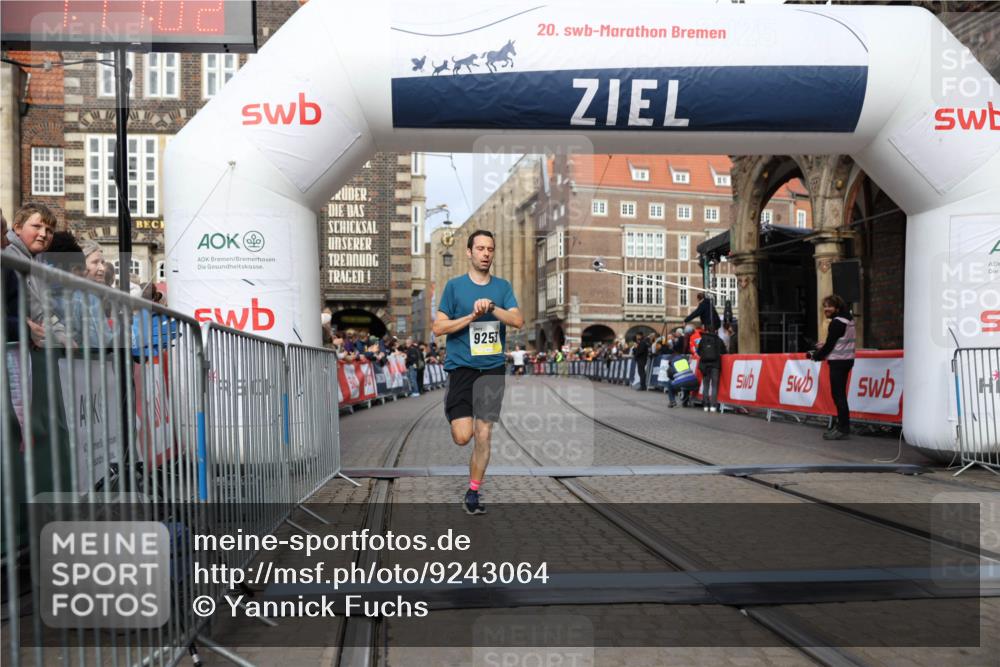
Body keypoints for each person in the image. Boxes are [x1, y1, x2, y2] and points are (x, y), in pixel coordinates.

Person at [432, 229, 523, 515]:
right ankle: (457, 413)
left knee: (483, 434)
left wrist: (493, 308)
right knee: (463, 436)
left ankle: (473, 491)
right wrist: (471, 317)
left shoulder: (502, 287)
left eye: (490, 249)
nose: (486, 254)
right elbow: (438, 328)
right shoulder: (454, 287)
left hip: (492, 369)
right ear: (469, 252)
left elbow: (518, 320)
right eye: (481, 249)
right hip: (461, 368)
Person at [3, 203, 58, 345]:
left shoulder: (35, 261)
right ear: (18, 228)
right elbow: (35, 309)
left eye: (50, 230)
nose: (43, 234)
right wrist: (59, 336)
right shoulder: (11, 257)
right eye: (37, 226)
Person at [808, 294, 856, 440]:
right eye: (825, 306)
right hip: (847, 360)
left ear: (837, 307)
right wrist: (823, 347)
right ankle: (843, 425)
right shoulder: (849, 320)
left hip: (838, 362)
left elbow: (830, 345)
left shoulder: (836, 322)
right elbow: (839, 341)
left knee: (838, 395)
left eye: (829, 306)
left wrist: (816, 356)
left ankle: (843, 428)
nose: (826, 309)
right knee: (841, 395)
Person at [697, 326, 727, 412]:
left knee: (706, 385)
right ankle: (713, 406)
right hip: (715, 365)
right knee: (714, 385)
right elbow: (724, 351)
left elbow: (698, 352)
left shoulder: (702, 340)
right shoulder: (718, 340)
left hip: (705, 366)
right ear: (716, 331)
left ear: (707, 331)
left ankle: (706, 405)